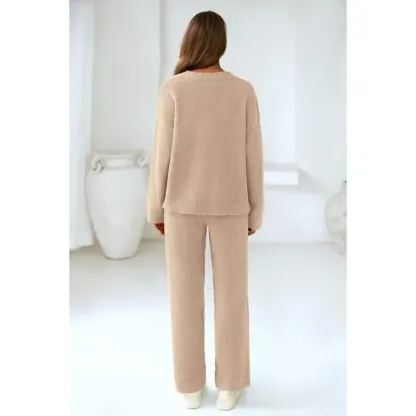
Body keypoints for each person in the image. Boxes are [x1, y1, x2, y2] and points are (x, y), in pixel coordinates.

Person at [147, 10, 264, 411]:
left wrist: (155, 208)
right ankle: (230, 386)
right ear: (222, 43)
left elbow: (161, 155)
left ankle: (190, 388)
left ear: (191, 41)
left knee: (184, 298)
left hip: (180, 205)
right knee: (232, 298)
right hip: (232, 206)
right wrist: (255, 212)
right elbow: (253, 156)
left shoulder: (173, 89)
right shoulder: (243, 90)